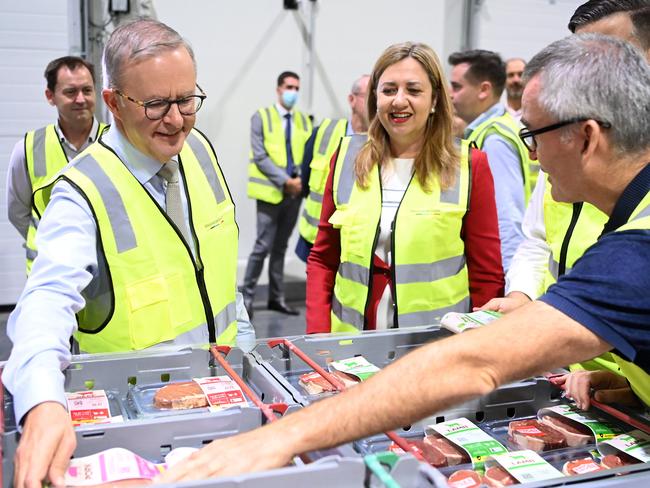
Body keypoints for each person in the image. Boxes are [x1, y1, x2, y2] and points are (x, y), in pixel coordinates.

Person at [159, 33, 650, 481]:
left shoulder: (636, 249)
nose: (533, 159)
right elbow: (325, 258)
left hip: (433, 344)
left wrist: (281, 436)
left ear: (586, 137)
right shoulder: (632, 223)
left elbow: (471, 362)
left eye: (533, 136)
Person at [2, 19, 255, 487]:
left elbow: (215, 270)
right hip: (142, 434)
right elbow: (45, 300)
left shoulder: (198, 150)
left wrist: (249, 354)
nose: (176, 120)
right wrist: (41, 400)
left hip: (230, 401)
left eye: (186, 100)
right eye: (156, 104)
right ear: (114, 103)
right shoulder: (83, 191)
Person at [481, 0, 650, 387]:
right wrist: (523, 295)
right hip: (579, 366)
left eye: (605, 56)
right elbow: (536, 238)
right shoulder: (562, 145)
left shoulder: (635, 245)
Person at [305, 42, 503, 334]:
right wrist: (318, 339)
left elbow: (486, 273)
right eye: (388, 90)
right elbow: (323, 258)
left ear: (435, 98)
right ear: (375, 98)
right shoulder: (347, 158)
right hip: (351, 346)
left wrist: (480, 345)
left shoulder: (469, 165)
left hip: (436, 348)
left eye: (413, 90)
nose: (399, 101)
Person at [6, 56, 106, 272]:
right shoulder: (29, 148)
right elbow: (18, 212)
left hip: (110, 273)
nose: (81, 99)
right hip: (51, 272)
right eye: (71, 92)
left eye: (87, 90)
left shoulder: (115, 142)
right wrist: (49, 240)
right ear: (50, 96)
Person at [448, 49, 538, 272]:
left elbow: (507, 216)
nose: (450, 95)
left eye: (457, 87)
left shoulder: (494, 139)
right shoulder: (488, 131)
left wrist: (507, 283)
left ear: (484, 90)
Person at [243, 71, 313, 318]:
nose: (292, 92)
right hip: (271, 192)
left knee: (281, 248)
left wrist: (300, 182)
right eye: (288, 87)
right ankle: (248, 299)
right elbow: (260, 155)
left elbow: (308, 155)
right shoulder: (261, 117)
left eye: (296, 87)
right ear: (278, 89)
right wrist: (286, 182)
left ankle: (276, 298)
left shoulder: (304, 121)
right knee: (262, 247)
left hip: (294, 194)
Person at [296, 74, 370, 263]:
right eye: (369, 95)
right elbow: (305, 180)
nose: (375, 103)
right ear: (352, 100)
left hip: (358, 245)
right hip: (318, 238)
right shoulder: (324, 132)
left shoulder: (384, 142)